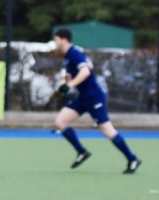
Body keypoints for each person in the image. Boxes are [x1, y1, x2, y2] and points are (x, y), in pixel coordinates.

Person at [53, 28, 142, 174]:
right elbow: (87, 66)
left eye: (56, 39)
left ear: (64, 40)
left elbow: (85, 72)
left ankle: (132, 159)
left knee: (107, 129)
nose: (55, 43)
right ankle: (81, 152)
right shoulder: (69, 55)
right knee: (60, 122)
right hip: (83, 98)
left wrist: (69, 85)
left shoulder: (74, 53)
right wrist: (67, 81)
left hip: (94, 97)